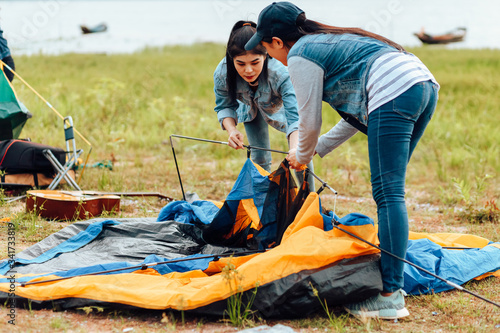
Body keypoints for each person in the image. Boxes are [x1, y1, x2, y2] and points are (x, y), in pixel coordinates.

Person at [245, 2, 439, 319]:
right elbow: (353, 115)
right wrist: (316, 149)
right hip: (423, 86)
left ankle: (390, 297)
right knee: (393, 193)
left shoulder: (300, 55)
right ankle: (394, 278)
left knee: (389, 194)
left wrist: (302, 155)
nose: (271, 58)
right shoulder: (330, 41)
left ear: (278, 43)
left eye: (266, 50)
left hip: (396, 91)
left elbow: (308, 121)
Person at [214, 20, 314, 190]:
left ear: (266, 55)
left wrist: (296, 149)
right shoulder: (222, 73)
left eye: (255, 62)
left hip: (280, 106)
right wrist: (232, 130)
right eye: (240, 64)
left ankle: (309, 197)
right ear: (232, 60)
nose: (248, 70)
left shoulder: (281, 73)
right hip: (250, 107)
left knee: (299, 155)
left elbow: (295, 118)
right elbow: (224, 106)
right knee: (259, 157)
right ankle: (263, 203)